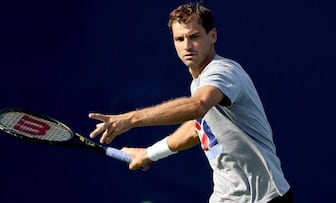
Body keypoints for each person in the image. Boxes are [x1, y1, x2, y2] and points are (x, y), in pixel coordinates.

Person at [88, 2, 293, 203]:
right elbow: (198, 128)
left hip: (264, 198)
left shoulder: (222, 71)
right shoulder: (200, 83)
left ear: (212, 36)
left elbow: (198, 106)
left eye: (194, 37)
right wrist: (149, 153)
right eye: (179, 39)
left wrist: (131, 119)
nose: (187, 46)